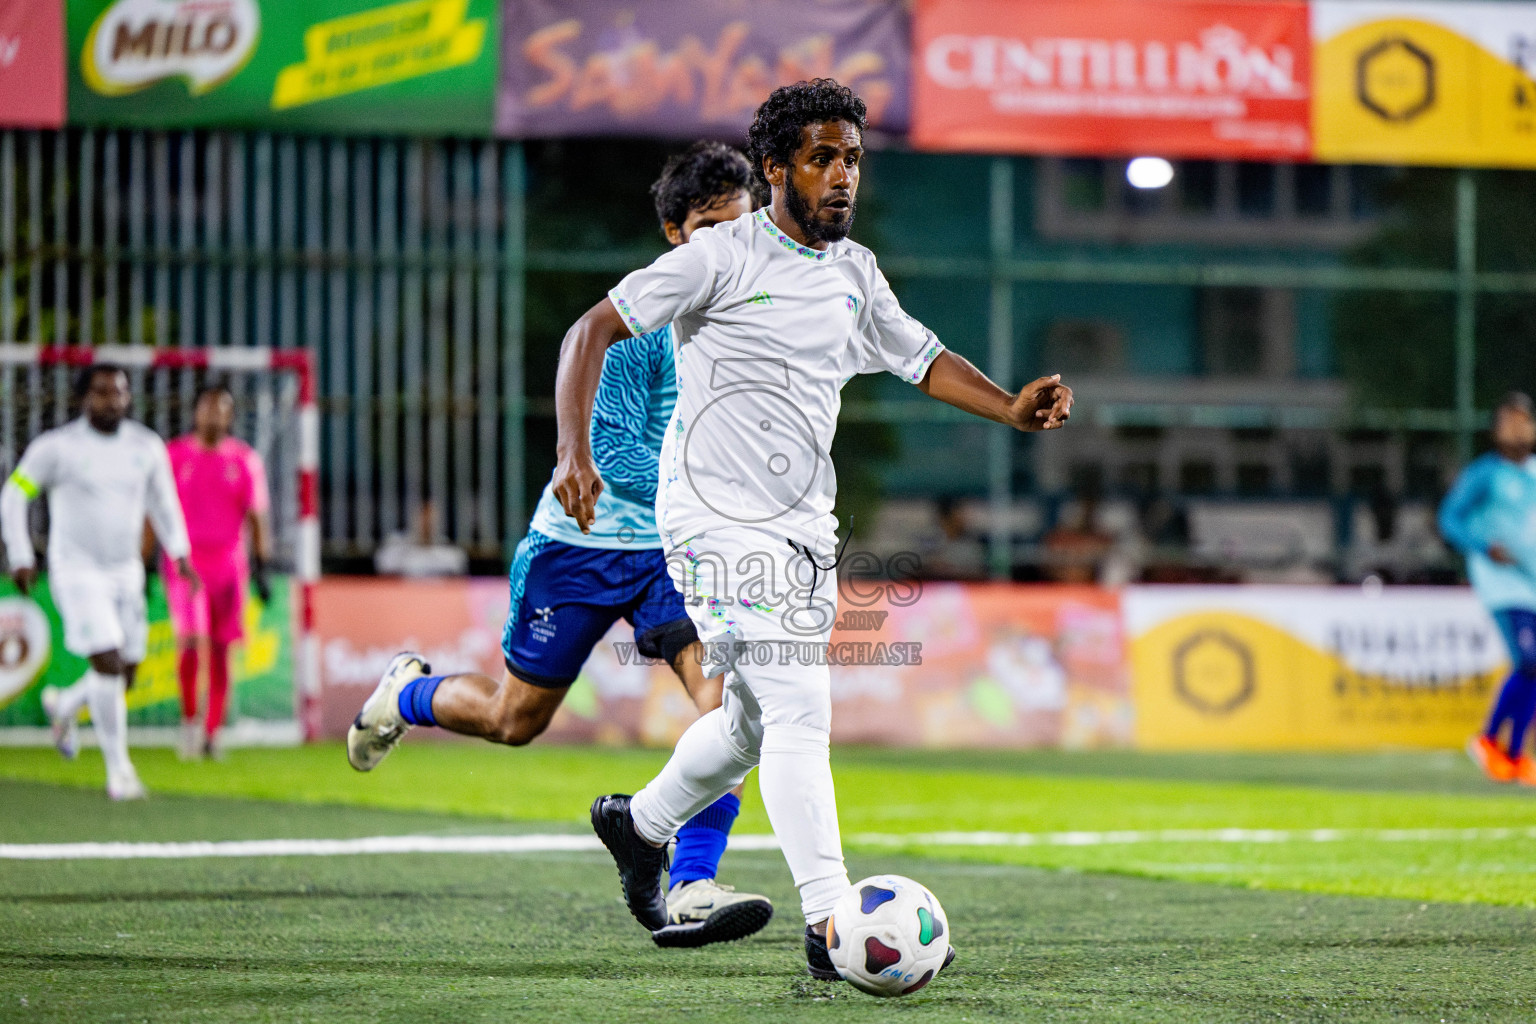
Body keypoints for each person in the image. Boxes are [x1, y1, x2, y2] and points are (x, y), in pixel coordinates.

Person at [549, 79, 1072, 979]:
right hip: (710, 521)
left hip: (801, 532)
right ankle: (832, 922)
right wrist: (575, 455)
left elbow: (922, 357)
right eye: (823, 158)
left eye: (854, 160)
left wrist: (1011, 410)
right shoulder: (719, 258)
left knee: (753, 722)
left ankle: (640, 828)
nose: (843, 177)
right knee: (799, 703)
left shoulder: (854, 274)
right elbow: (588, 331)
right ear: (777, 168)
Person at [347, 141, 774, 948]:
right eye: (710, 226)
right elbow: (609, 448)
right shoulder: (642, 321)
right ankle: (405, 693)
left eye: (740, 224)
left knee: (727, 708)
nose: (728, 243)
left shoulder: (759, 316)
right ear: (674, 234)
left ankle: (690, 884)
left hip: (675, 557)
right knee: (515, 720)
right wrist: (717, 489)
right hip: (579, 546)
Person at [0, 363, 197, 800]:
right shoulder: (58, 448)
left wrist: (179, 551)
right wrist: (19, 554)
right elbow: (15, 493)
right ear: (83, 398)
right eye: (102, 392)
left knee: (125, 672)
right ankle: (119, 772)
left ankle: (65, 706)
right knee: (106, 661)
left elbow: (164, 503)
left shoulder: (146, 447)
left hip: (126, 571)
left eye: (120, 392)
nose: (112, 400)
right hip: (77, 571)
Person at [164, 382, 272, 760]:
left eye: (221, 408)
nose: (213, 414)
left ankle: (213, 733)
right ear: (195, 412)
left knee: (222, 650)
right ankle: (189, 723)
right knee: (191, 641)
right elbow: (155, 510)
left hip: (229, 564)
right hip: (185, 563)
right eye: (207, 407)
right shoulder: (174, 455)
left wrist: (263, 566)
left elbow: (258, 516)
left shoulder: (244, 460)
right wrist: (143, 557)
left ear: (230, 416)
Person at [1440, 391, 1536, 784]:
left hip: (1531, 584)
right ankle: (1487, 739)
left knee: (1534, 668)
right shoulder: (1486, 473)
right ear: (1496, 431)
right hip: (1502, 583)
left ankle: (1514, 756)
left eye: (1525, 420)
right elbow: (1449, 518)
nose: (1519, 428)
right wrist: (1482, 547)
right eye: (1509, 421)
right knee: (1530, 660)